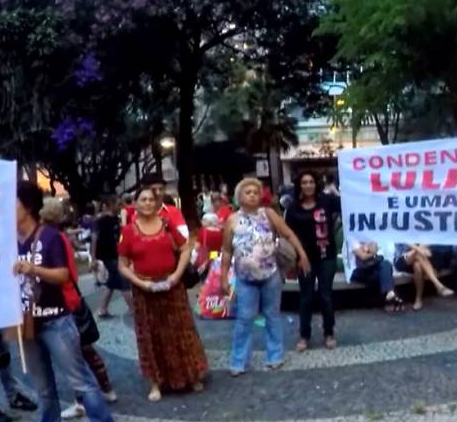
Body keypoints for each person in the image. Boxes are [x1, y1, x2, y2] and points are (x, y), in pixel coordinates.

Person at [14, 181, 117, 422]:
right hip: (26, 324)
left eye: (14, 203)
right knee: (42, 386)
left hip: (56, 320)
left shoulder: (50, 237)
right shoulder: (6, 240)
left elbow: (63, 275)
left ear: (29, 206)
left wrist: (32, 268)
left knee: (79, 379)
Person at [117, 187, 208, 401]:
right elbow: (123, 265)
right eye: (143, 199)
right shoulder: (128, 232)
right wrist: (140, 282)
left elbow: (185, 248)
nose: (147, 203)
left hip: (172, 285)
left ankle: (190, 375)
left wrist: (177, 275)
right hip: (145, 290)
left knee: (181, 331)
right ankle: (155, 383)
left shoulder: (167, 225)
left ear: (157, 203)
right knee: (150, 336)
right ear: (136, 204)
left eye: (151, 200)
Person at [221, 178, 310, 376]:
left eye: (255, 191)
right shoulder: (232, 220)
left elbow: (288, 234)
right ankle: (238, 361)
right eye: (248, 192)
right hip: (244, 278)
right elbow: (226, 251)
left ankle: (275, 355)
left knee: (272, 315)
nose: (252, 195)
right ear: (239, 197)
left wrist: (301, 254)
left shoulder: (269, 214)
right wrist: (223, 278)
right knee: (244, 319)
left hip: (270, 274)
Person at [40, 197, 119, 419]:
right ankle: (105, 388)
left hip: (66, 301)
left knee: (75, 354)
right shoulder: (61, 237)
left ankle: (83, 399)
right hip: (72, 298)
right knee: (84, 350)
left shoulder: (52, 239)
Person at [284, 171, 342, 351]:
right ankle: (304, 335)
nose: (308, 185)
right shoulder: (293, 208)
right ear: (299, 185)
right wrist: (299, 258)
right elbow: (289, 235)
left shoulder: (327, 201)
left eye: (311, 182)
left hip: (327, 257)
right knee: (306, 297)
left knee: (326, 296)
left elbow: (349, 205)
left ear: (316, 184)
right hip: (304, 260)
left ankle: (329, 332)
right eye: (304, 182)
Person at [91, 195, 133, 318]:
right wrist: (93, 257)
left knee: (112, 282)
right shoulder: (101, 220)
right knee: (123, 280)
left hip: (116, 253)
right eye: (118, 204)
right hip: (108, 255)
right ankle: (132, 309)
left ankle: (102, 309)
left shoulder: (115, 219)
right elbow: (94, 238)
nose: (120, 207)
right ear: (110, 205)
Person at [124, 172, 189, 238]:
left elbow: (184, 238)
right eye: (154, 189)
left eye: (161, 189)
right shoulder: (133, 215)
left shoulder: (174, 211)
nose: (158, 193)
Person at [350, 241, 407, 312]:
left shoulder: (370, 238)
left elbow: (375, 249)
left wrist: (370, 250)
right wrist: (372, 252)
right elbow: (363, 256)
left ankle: (390, 295)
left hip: (371, 268)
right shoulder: (352, 239)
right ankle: (391, 297)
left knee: (386, 264)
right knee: (384, 272)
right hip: (356, 271)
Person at [394, 244, 454, 310]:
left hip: (424, 255)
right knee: (417, 254)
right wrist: (417, 250)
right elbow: (404, 240)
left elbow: (431, 239)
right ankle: (438, 286)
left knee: (417, 265)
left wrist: (417, 250)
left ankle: (418, 299)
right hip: (404, 259)